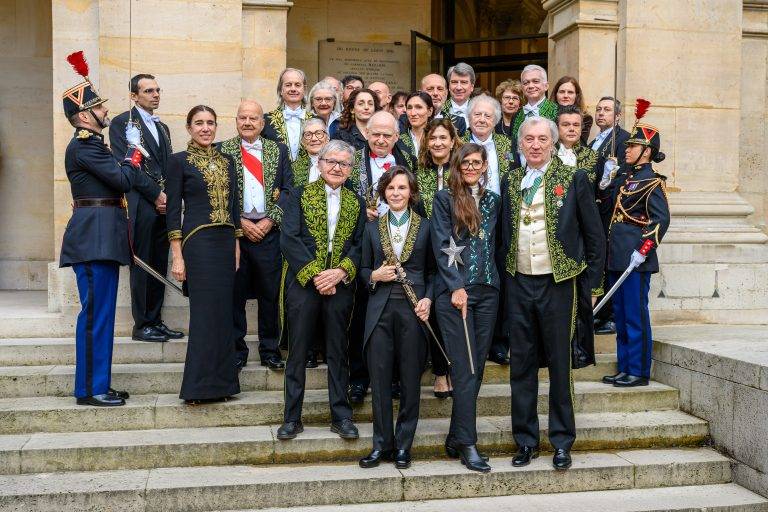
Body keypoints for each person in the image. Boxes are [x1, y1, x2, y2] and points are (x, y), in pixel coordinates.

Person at [501, 117, 605, 471]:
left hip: (558, 283)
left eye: (542, 139)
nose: (534, 145)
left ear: (553, 142)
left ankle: (561, 441)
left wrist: (592, 285)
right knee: (522, 365)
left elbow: (594, 236)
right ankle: (526, 440)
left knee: (560, 364)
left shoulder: (573, 178)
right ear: (520, 144)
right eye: (528, 139)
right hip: (518, 283)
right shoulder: (511, 179)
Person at [60, 50, 148, 407]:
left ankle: (98, 384)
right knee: (96, 317)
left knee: (102, 316)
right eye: (99, 108)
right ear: (84, 115)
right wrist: (134, 152)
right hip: (93, 241)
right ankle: (91, 389)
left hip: (102, 239)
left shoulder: (95, 146)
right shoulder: (86, 147)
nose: (105, 112)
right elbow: (123, 179)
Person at [277, 139, 367, 441]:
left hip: (340, 285)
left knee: (338, 352)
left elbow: (359, 245)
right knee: (298, 351)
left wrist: (341, 271)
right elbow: (289, 238)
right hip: (305, 283)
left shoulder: (356, 201)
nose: (337, 167)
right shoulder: (299, 195)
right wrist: (317, 275)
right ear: (320, 163)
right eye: (332, 162)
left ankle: (341, 416)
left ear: (350, 169)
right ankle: (292, 417)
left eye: (344, 164)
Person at [431, 143, 501, 473]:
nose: (471, 167)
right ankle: (468, 444)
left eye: (477, 162)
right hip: (457, 294)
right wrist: (455, 285)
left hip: (489, 291)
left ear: (485, 165)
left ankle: (456, 435)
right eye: (465, 163)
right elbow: (444, 245)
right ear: (457, 167)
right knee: (465, 368)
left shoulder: (493, 201)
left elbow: (496, 245)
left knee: (478, 368)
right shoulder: (444, 199)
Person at [358, 166, 434, 470]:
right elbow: (363, 270)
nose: (397, 193)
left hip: (413, 310)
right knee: (379, 378)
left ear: (411, 192)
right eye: (391, 189)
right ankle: (381, 445)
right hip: (380, 308)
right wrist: (374, 275)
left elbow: (433, 271)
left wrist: (428, 298)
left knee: (410, 378)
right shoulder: (371, 229)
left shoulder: (426, 227)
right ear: (383, 193)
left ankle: (404, 445)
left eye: (402, 188)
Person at [166, 105, 242, 404]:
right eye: (199, 123)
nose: (206, 128)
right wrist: (177, 254)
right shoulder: (178, 162)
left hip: (225, 245)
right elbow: (172, 211)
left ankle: (223, 386)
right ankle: (198, 388)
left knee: (223, 314)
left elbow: (234, 208)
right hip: (197, 244)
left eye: (210, 122)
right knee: (203, 314)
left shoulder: (228, 161)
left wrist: (236, 245)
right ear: (189, 127)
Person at [218, 99, 293, 371]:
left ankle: (270, 349)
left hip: (269, 232)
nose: (247, 123)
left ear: (263, 123)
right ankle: (237, 350)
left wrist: (270, 219)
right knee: (235, 294)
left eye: (253, 118)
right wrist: (239, 222)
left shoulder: (278, 150)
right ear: (236, 120)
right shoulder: (222, 150)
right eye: (242, 118)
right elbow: (220, 194)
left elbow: (288, 190)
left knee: (269, 294)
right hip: (236, 235)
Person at [347, 110, 415, 405]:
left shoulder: (408, 160)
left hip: (402, 245)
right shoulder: (353, 160)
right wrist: (363, 213)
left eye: (388, 134)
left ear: (397, 136)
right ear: (367, 134)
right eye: (376, 134)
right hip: (366, 244)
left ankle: (397, 379)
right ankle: (360, 379)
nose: (381, 139)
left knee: (400, 317)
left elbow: (418, 199)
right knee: (363, 315)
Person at [109, 73, 181, 343]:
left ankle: (156, 320)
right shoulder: (121, 123)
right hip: (141, 203)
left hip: (164, 206)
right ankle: (142, 324)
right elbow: (127, 165)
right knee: (142, 264)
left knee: (160, 262)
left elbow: (168, 165)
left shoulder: (162, 128)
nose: (156, 95)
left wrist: (170, 197)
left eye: (158, 90)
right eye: (149, 91)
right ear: (134, 96)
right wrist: (156, 194)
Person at [603, 118, 670, 387]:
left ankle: (639, 371)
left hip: (635, 260)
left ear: (648, 152)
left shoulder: (652, 183)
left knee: (635, 315)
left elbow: (660, 220)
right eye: (628, 146)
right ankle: (625, 366)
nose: (627, 150)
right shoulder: (626, 179)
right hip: (618, 257)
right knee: (620, 315)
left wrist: (643, 250)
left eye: (634, 146)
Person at [414, 118, 462, 399]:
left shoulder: (461, 171)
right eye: (433, 138)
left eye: (443, 138)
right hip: (426, 250)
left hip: (455, 249)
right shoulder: (419, 172)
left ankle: (456, 368)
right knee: (429, 308)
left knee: (450, 309)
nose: (438, 143)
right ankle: (440, 372)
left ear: (453, 141)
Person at [589, 96, 630, 335]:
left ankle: (612, 314)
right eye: (598, 109)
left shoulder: (622, 139)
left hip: (609, 208)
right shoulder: (595, 140)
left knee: (610, 259)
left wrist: (609, 182)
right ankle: (601, 311)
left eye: (606, 110)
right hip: (596, 207)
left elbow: (622, 175)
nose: (601, 113)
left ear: (617, 116)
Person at [462, 95, 514, 196]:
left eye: (487, 116)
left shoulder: (509, 144)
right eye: (477, 114)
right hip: (465, 206)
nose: (482, 120)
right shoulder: (458, 144)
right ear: (469, 118)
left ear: (495, 121)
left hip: (500, 208)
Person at [263, 68, 312, 161]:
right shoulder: (265, 120)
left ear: (304, 90)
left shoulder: (315, 120)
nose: (293, 89)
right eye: (288, 85)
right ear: (281, 90)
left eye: (297, 85)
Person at [511, 65, 559, 140]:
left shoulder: (558, 111)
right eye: (526, 83)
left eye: (535, 81)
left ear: (546, 86)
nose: (530, 86)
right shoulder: (516, 116)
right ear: (522, 88)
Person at [555, 105, 598, 181]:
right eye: (566, 125)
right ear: (557, 128)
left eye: (576, 125)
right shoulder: (547, 153)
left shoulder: (593, 156)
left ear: (581, 129)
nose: (572, 129)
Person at [551, 76, 594, 144]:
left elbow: (580, 144)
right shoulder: (546, 116)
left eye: (570, 92)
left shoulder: (586, 118)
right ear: (556, 94)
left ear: (576, 96)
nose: (565, 96)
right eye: (562, 92)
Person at [292, 117, 329, 187]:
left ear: (327, 138)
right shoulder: (292, 168)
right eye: (308, 135)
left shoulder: (338, 164)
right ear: (302, 142)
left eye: (319, 133)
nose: (314, 139)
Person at [399, 91, 435, 158]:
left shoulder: (437, 137)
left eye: (418, 107)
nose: (413, 113)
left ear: (430, 111)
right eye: (409, 108)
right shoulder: (398, 138)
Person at [445, 63, 476, 128]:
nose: (458, 87)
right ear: (449, 86)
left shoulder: (480, 110)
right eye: (454, 82)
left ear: (472, 87)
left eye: (463, 82)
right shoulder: (439, 110)